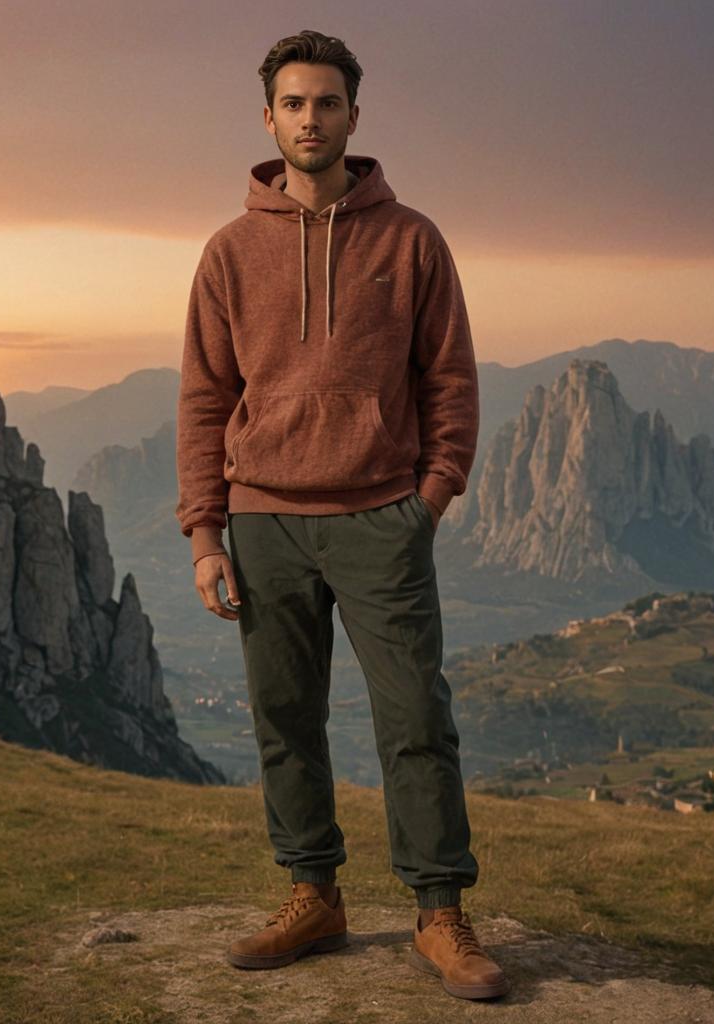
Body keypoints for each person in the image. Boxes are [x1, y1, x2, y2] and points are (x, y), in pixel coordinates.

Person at [174, 29, 510, 1001]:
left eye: (326, 102)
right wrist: (206, 532)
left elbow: (448, 378)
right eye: (292, 103)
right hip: (263, 521)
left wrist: (428, 499)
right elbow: (204, 397)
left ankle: (440, 911)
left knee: (414, 717)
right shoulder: (228, 252)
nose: (309, 118)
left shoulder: (412, 241)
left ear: (354, 117)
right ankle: (312, 893)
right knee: (286, 717)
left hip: (380, 519)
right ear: (268, 117)